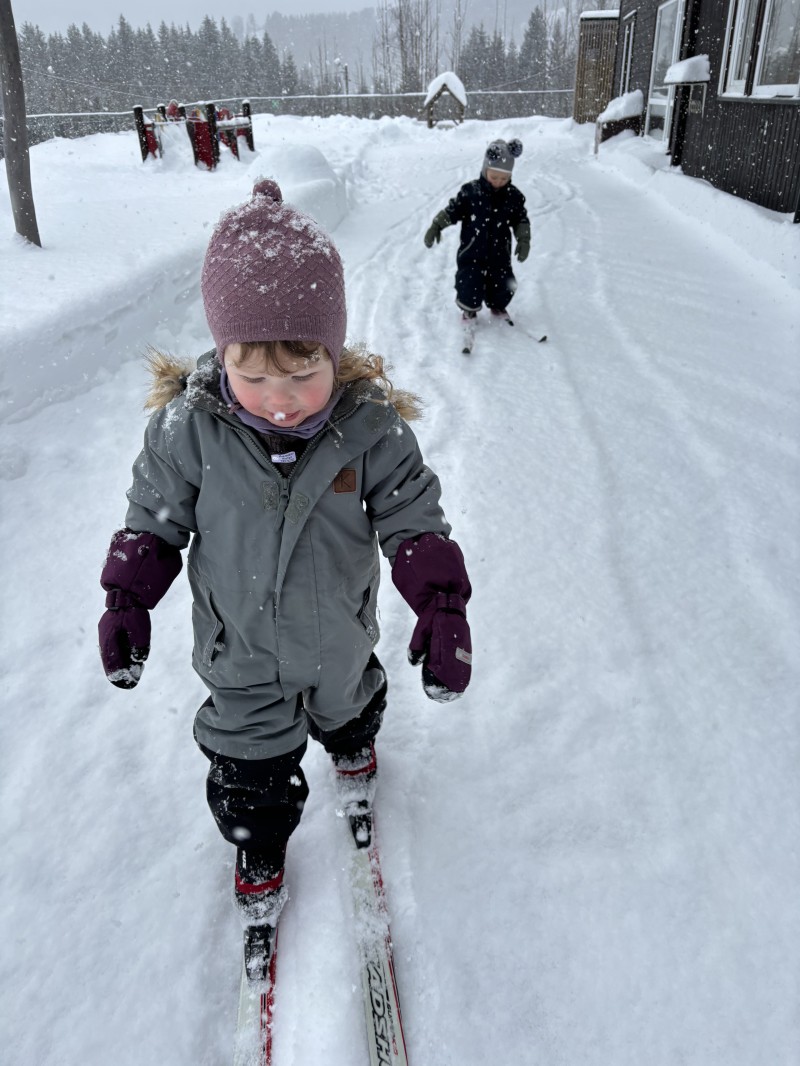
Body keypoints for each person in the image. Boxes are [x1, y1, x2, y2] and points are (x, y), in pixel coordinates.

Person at [97, 179, 472, 960]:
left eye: (303, 373)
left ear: (334, 353)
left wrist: (439, 601)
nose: (281, 400)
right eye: (254, 375)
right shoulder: (186, 433)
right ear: (221, 354)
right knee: (249, 768)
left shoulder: (370, 432)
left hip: (338, 631)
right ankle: (258, 841)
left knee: (351, 701)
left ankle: (353, 748)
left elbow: (412, 516)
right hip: (242, 653)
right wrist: (128, 597)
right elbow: (153, 522)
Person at [424, 138, 531, 325]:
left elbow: (520, 219)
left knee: (504, 283)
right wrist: (437, 225)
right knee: (469, 284)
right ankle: (469, 310)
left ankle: (498, 306)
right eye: (494, 177)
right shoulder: (470, 192)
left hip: (500, 252)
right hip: (472, 251)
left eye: (504, 178)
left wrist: (524, 239)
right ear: (485, 170)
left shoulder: (513, 196)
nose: (499, 182)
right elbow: (453, 210)